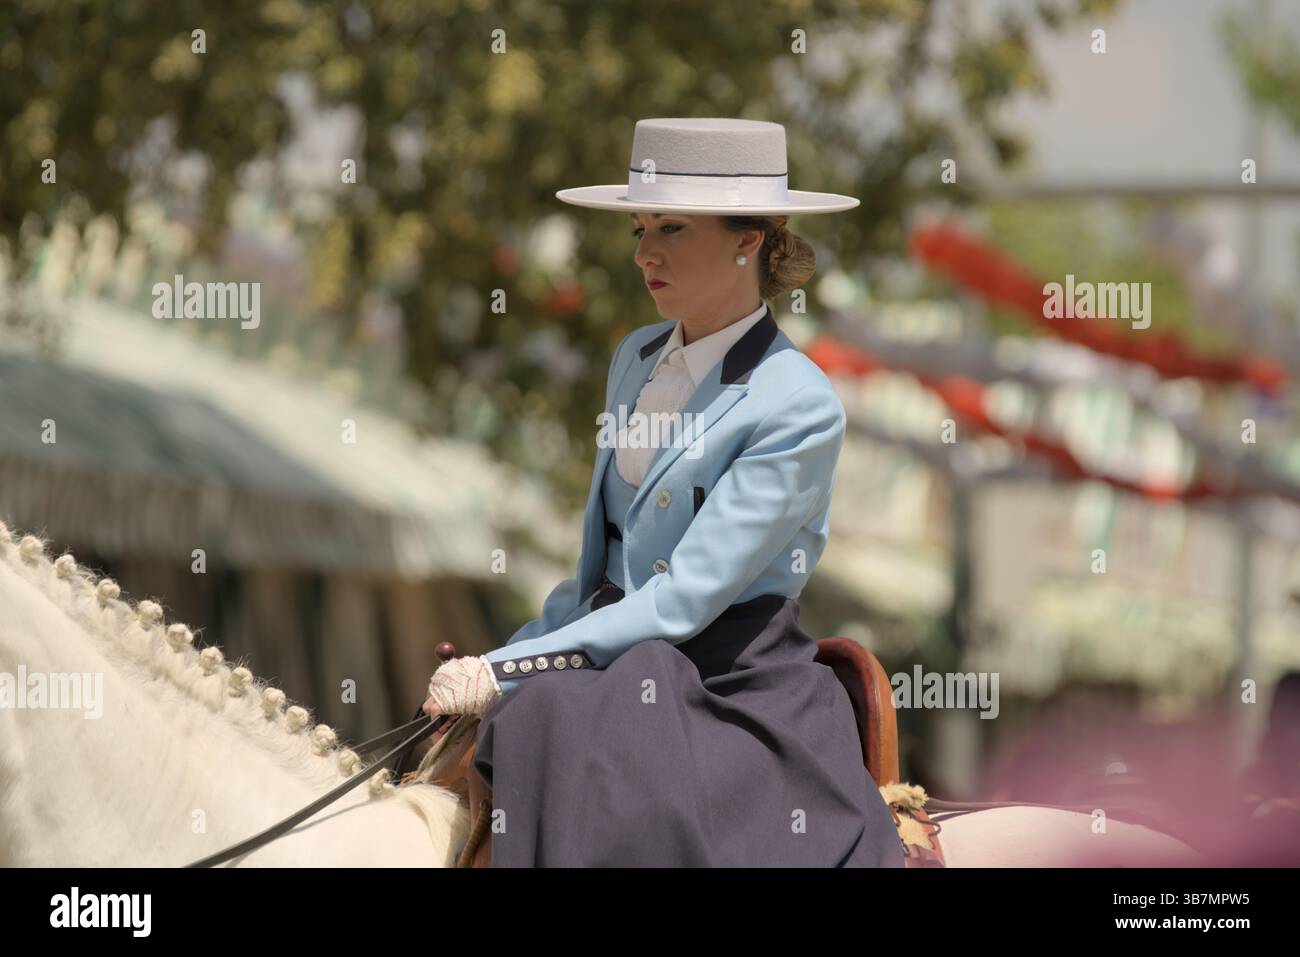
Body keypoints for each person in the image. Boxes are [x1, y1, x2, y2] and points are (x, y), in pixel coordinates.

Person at [423, 117, 904, 867]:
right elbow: (603, 577)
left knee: (547, 712)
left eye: (672, 228)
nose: (645, 252)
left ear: (750, 240)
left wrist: (516, 675)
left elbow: (682, 600)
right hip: (614, 653)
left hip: (727, 676)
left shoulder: (798, 404)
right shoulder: (635, 356)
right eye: (642, 228)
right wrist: (499, 656)